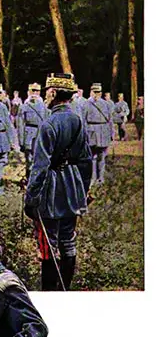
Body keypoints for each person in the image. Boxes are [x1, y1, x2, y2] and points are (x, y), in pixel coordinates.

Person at [25, 73, 93, 291]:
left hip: (52, 187)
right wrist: (82, 190)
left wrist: (31, 198)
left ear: (53, 93)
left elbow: (40, 167)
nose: (46, 95)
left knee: (49, 242)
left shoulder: (49, 124)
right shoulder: (77, 120)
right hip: (73, 185)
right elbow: (86, 161)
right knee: (68, 239)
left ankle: (49, 290)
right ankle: (66, 288)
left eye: (47, 91)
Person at [16, 83, 48, 178]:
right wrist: (21, 141)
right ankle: (29, 178)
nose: (34, 93)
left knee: (39, 158)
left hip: (40, 133)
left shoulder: (44, 106)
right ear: (28, 92)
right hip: (28, 133)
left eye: (37, 91)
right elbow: (20, 124)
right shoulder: (24, 106)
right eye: (32, 91)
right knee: (29, 159)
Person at [83, 82, 113, 183]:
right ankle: (92, 177)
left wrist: (111, 133)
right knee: (92, 156)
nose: (97, 94)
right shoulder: (86, 103)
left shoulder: (105, 104)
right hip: (91, 130)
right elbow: (83, 119)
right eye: (95, 92)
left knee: (102, 156)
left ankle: (100, 177)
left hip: (103, 131)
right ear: (91, 92)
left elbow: (110, 119)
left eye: (99, 92)